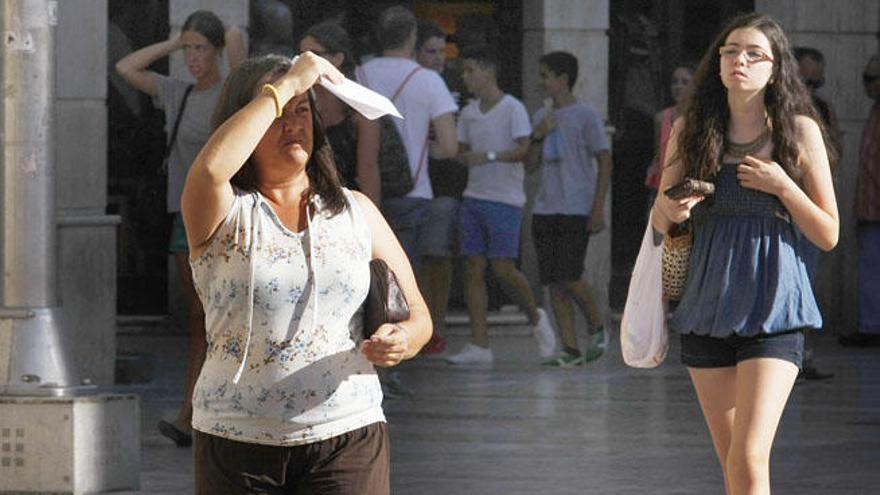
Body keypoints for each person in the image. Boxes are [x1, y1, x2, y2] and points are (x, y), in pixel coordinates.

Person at [181, 53, 431, 494]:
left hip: (348, 433)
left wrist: (402, 342)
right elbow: (210, 169)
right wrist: (288, 84)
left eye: (302, 110)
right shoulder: (223, 210)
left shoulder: (356, 211)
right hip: (235, 438)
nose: (292, 124)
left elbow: (419, 318)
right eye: (278, 112)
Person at [652, 13, 838, 493]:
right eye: (731, 51)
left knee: (751, 455)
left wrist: (782, 187)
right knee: (732, 457)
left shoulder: (799, 131)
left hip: (774, 310)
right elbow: (657, 220)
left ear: (775, 68)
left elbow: (828, 233)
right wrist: (677, 208)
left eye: (755, 54)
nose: (741, 60)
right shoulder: (690, 129)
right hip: (706, 307)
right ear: (717, 64)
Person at [115, 10, 245, 448]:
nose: (193, 57)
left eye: (200, 48)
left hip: (224, 217)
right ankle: (195, 411)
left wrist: (228, 40)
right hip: (182, 217)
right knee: (199, 316)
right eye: (189, 49)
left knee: (213, 316)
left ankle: (198, 411)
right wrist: (173, 42)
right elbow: (125, 68)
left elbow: (246, 73)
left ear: (216, 52)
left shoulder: (229, 93)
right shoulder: (178, 92)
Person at [445, 45, 556, 365]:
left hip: (505, 200)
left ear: (488, 72)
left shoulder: (513, 108)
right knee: (472, 269)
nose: (465, 77)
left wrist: (489, 156)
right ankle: (480, 344)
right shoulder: (467, 112)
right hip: (473, 196)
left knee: (503, 268)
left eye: (470, 70)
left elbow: (523, 149)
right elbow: (462, 150)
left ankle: (537, 319)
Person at [355, 5, 458, 267]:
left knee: (371, 275)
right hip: (412, 191)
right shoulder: (429, 81)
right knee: (405, 277)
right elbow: (449, 147)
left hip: (363, 190)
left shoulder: (359, 74)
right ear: (412, 36)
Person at [527, 51, 611, 367]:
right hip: (546, 208)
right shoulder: (540, 117)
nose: (541, 81)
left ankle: (597, 325)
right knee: (553, 280)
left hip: (576, 206)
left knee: (571, 274)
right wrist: (538, 135)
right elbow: (531, 165)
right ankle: (570, 347)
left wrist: (597, 207)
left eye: (546, 75)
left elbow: (604, 160)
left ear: (563, 79)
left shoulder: (585, 116)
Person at [415, 20, 469, 355]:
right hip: (411, 181)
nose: (439, 59)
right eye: (431, 52)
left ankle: (437, 327)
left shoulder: (453, 83)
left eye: (443, 52)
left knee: (438, 256)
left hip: (446, 181)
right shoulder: (411, 83)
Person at [793, 46, 839, 379]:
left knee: (804, 284)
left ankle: (800, 355)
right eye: (804, 81)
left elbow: (836, 154)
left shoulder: (819, 113)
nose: (809, 91)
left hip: (808, 213)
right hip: (771, 216)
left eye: (816, 84)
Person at [299, 22, 381, 203]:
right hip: (299, 200)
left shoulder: (360, 110)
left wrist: (372, 222)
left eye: (314, 55)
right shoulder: (296, 102)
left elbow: (367, 170)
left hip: (345, 203)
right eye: (300, 56)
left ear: (338, 59)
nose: (304, 63)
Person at [840, 54, 880, 347]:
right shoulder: (874, 112)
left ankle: (872, 327)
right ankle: (870, 325)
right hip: (869, 209)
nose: (866, 85)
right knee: (869, 269)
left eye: (871, 78)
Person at [644, 64, 694, 194]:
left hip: (691, 186)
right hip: (664, 186)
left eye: (685, 82)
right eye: (675, 82)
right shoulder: (661, 118)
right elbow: (658, 153)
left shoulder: (701, 118)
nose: (679, 86)